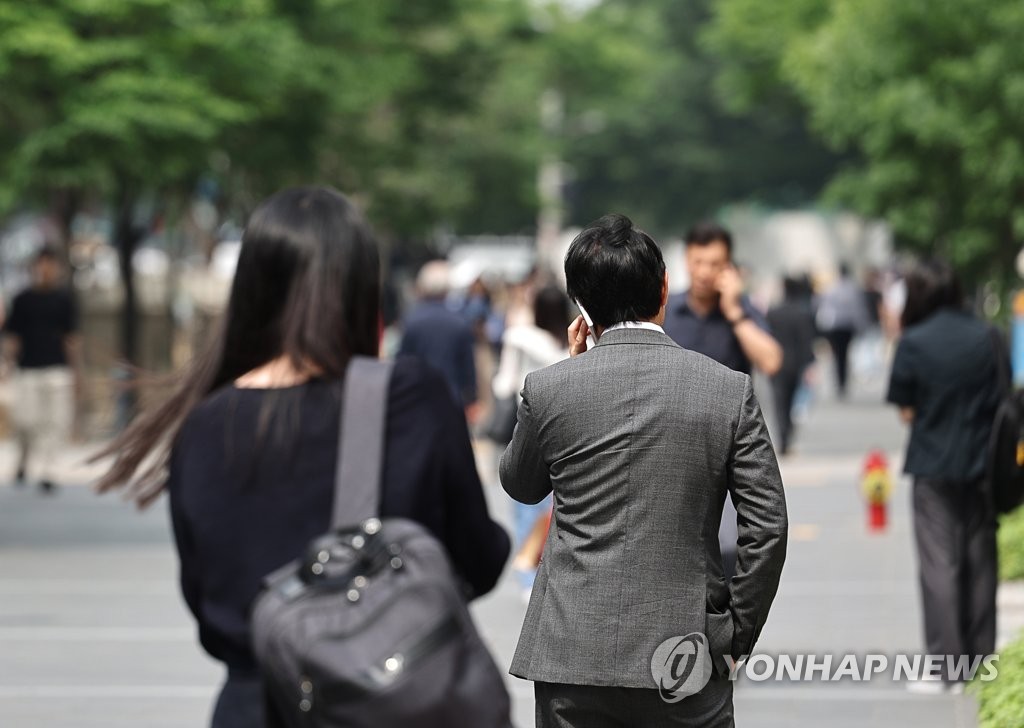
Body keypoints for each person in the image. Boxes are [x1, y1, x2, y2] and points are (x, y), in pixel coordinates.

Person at [94, 187, 510, 728]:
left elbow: (207, 604)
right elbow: (476, 558)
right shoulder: (410, 397)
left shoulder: (203, 425)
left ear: (251, 290)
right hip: (382, 697)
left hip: (254, 704)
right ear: (363, 290)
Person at [500, 214, 788, 727]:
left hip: (572, 654)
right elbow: (766, 526)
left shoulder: (548, 389)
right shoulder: (726, 390)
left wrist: (565, 375)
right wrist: (734, 633)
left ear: (581, 307)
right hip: (685, 653)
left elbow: (521, 486)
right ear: (664, 289)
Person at [885, 258, 999, 691]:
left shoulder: (914, 341)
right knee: (980, 561)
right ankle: (981, 660)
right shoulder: (987, 336)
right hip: (983, 466)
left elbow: (905, 409)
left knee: (940, 565)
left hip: (933, 465)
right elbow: (1002, 399)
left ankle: (947, 665)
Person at [662, 222, 783, 577]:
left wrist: (734, 313)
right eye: (698, 262)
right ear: (685, 261)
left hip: (729, 448)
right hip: (674, 446)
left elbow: (772, 360)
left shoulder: (741, 312)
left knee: (729, 549)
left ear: (728, 267)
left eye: (715, 263)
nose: (704, 272)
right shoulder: (667, 311)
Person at [491, 285, 570, 597]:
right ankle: (545, 566)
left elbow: (505, 382)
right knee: (555, 502)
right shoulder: (572, 341)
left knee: (525, 501)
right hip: (562, 426)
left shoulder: (519, 338)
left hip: (527, 423)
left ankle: (527, 572)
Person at [2, 246, 81, 493]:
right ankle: (24, 459)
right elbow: (13, 338)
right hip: (28, 369)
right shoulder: (22, 299)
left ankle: (49, 471)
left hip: (57, 369)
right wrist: (7, 365)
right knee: (27, 420)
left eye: (50, 263)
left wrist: (79, 370)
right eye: (42, 263)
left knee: (55, 422)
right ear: (35, 267)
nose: (46, 269)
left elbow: (72, 338)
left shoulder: (64, 300)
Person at [399, 260, 479, 421]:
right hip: (451, 399)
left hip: (418, 398)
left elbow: (402, 363)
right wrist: (472, 398)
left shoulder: (411, 322)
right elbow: (468, 367)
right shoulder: (459, 323)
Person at [766, 275, 817, 455]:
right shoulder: (803, 313)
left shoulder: (773, 312)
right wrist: (810, 363)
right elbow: (807, 340)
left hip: (775, 362)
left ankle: (783, 438)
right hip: (795, 363)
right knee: (790, 402)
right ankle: (787, 435)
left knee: (779, 402)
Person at [816, 263, 870, 399]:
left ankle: (839, 381)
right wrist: (862, 326)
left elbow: (825, 307)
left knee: (837, 355)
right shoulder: (853, 289)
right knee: (844, 354)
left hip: (835, 326)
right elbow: (858, 309)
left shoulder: (832, 288)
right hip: (847, 326)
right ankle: (843, 381)